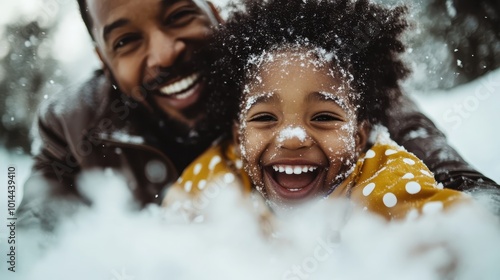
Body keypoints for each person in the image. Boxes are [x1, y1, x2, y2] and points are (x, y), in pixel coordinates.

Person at [18, 0, 497, 229]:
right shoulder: (69, 125)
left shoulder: (314, 70)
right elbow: (32, 244)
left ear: (215, 12)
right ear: (102, 59)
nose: (164, 53)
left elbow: (435, 165)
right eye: (126, 40)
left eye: (179, 14)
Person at [165, 0, 471, 219]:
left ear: (360, 136)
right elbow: (165, 231)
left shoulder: (383, 178)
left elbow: (462, 229)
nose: (292, 137)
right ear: (238, 134)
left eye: (323, 116)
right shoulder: (222, 174)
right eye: (264, 117)